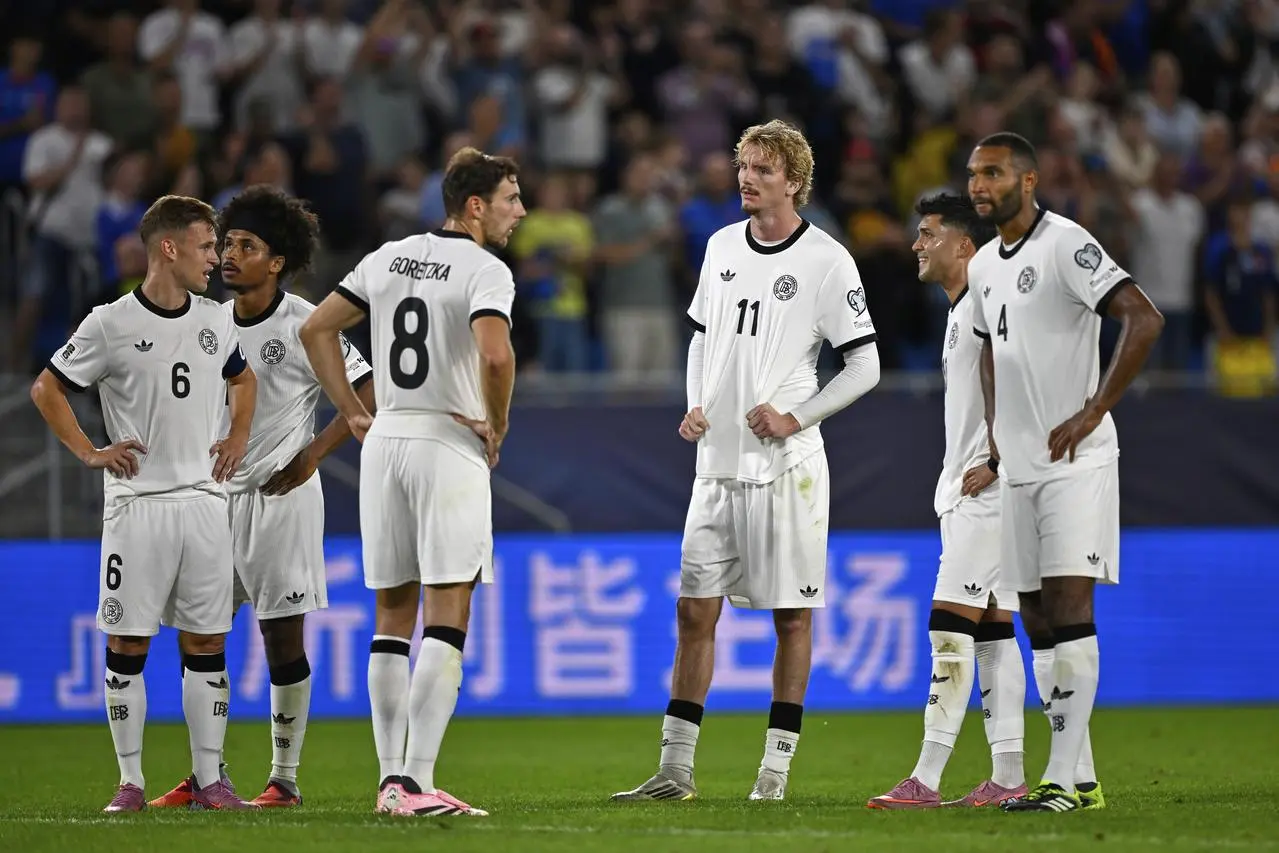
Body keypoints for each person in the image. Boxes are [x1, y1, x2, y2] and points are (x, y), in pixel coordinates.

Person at [610, 119, 882, 804]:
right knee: (692, 611)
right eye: (743, 166)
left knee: (790, 615)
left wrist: (797, 415)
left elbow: (865, 364)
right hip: (715, 465)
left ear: (793, 180)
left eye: (763, 169)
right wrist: (696, 401)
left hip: (785, 465)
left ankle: (773, 772)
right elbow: (702, 338)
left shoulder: (826, 259)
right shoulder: (721, 245)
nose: (747, 178)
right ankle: (674, 770)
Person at [299, 146, 523, 817]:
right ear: (476, 205)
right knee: (447, 608)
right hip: (445, 439)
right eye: (511, 197)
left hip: (387, 438)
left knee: (392, 615)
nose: (521, 210)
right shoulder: (485, 269)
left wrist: (351, 408)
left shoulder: (387, 256)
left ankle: (390, 779)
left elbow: (317, 327)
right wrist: (497, 422)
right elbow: (494, 351)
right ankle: (418, 782)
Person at [29, 195, 260, 812]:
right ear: (169, 248)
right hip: (139, 506)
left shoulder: (216, 319)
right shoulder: (109, 323)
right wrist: (90, 451)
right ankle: (130, 781)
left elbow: (243, 378)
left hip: (206, 504)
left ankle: (210, 780)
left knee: (207, 642)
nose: (216, 258)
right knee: (129, 644)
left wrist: (238, 434)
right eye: (207, 246)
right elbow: (47, 387)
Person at [147, 185, 375, 810]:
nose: (228, 255)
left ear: (275, 262)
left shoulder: (305, 323)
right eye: (226, 244)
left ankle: (284, 779)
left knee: (282, 640)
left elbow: (367, 391)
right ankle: (206, 777)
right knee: (201, 636)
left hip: (281, 498)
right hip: (211, 501)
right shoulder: (204, 321)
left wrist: (312, 456)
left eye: (246, 246)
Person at [966, 132, 1164, 812]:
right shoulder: (984, 266)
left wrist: (1092, 410)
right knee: (1034, 615)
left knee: (1070, 604)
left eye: (991, 173)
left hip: (1075, 464)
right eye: (973, 175)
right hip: (1019, 467)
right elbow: (990, 350)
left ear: (1027, 180)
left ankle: (1056, 781)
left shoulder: (1066, 243)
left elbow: (1141, 317)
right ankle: (1078, 778)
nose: (977, 186)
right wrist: (995, 435)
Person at [868, 193, 1028, 810]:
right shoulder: (964, 309)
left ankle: (926, 779)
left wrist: (996, 457)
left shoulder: (987, 303)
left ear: (964, 245)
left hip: (985, 487)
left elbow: (1020, 376)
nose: (916, 244)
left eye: (928, 234)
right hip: (976, 484)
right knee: (991, 632)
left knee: (948, 628)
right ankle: (1009, 774)